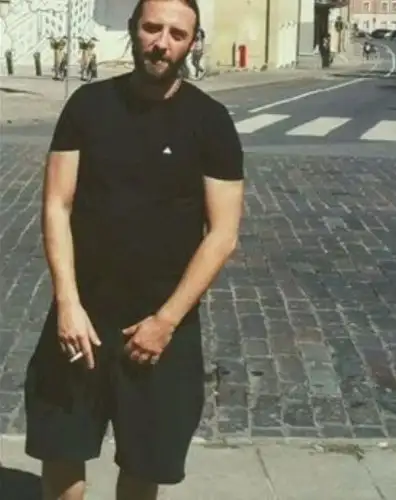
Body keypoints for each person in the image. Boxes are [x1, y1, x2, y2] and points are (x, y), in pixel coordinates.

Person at [23, 0, 244, 499]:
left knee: (144, 468)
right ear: (132, 29)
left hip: (163, 326)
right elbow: (57, 204)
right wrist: (67, 303)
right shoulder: (88, 106)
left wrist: (165, 323)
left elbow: (222, 234)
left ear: (192, 43)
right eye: (152, 28)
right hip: (82, 319)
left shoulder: (210, 121)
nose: (161, 43)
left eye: (177, 34)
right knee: (61, 452)